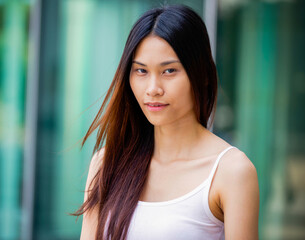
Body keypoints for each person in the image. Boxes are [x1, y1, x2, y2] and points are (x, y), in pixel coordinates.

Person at [73, 4, 259, 240]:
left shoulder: (232, 171)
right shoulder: (107, 162)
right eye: (141, 71)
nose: (153, 89)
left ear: (200, 74)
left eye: (169, 71)